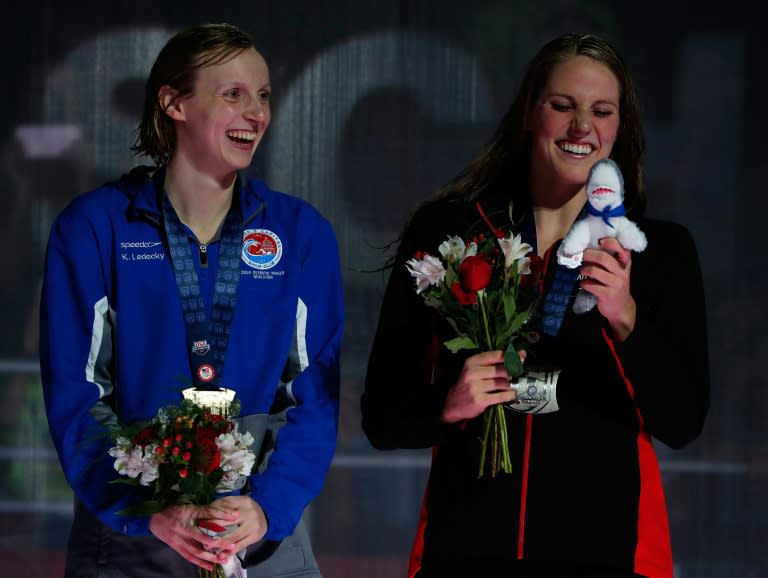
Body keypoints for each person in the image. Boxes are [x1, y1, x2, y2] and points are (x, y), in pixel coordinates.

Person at [361, 33, 709, 578]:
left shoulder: (659, 251)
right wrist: (445, 407)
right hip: (463, 555)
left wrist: (626, 318)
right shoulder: (450, 233)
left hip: (608, 558)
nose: (581, 127)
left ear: (621, 128)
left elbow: (683, 422)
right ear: (530, 112)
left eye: (601, 111)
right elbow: (382, 420)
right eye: (562, 105)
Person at [39, 22, 344, 578]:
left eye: (264, 95)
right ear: (174, 103)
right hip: (132, 541)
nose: (257, 113)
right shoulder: (95, 228)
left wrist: (266, 508)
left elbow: (314, 397)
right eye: (233, 95)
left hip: (260, 540)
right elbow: (76, 394)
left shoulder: (300, 233)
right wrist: (145, 508)